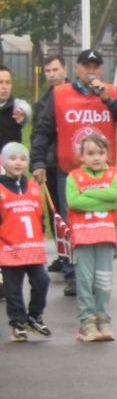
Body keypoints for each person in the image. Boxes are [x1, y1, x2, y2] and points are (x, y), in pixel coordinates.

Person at [31, 47, 117, 289]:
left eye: (95, 66)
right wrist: (37, 162)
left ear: (101, 69)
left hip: (102, 173)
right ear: (76, 69)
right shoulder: (59, 94)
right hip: (70, 171)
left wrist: (107, 98)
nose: (91, 70)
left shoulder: (112, 92)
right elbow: (42, 130)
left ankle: (97, 273)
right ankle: (72, 275)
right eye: (86, 66)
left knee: (98, 222)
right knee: (70, 222)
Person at [65, 131, 117, 342]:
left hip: (105, 235)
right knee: (85, 279)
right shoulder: (74, 177)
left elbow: (115, 195)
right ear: (82, 156)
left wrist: (88, 194)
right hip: (83, 236)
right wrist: (105, 201)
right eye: (90, 153)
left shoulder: (114, 174)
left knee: (103, 281)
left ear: (107, 154)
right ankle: (87, 321)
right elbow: (74, 202)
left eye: (100, 152)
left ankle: (103, 318)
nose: (96, 157)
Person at [1, 142, 51, 339]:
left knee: (42, 281)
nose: (18, 162)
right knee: (13, 289)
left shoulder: (33, 187)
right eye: (13, 158)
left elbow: (39, 216)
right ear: (4, 162)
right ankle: (18, 322)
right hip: (9, 248)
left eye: (22, 158)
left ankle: (34, 316)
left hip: (32, 247)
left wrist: (41, 232)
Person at [0, 68, 28, 151]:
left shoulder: (17, 107)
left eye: (8, 82)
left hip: (10, 160)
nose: (5, 86)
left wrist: (24, 113)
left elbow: (26, 109)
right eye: (0, 82)